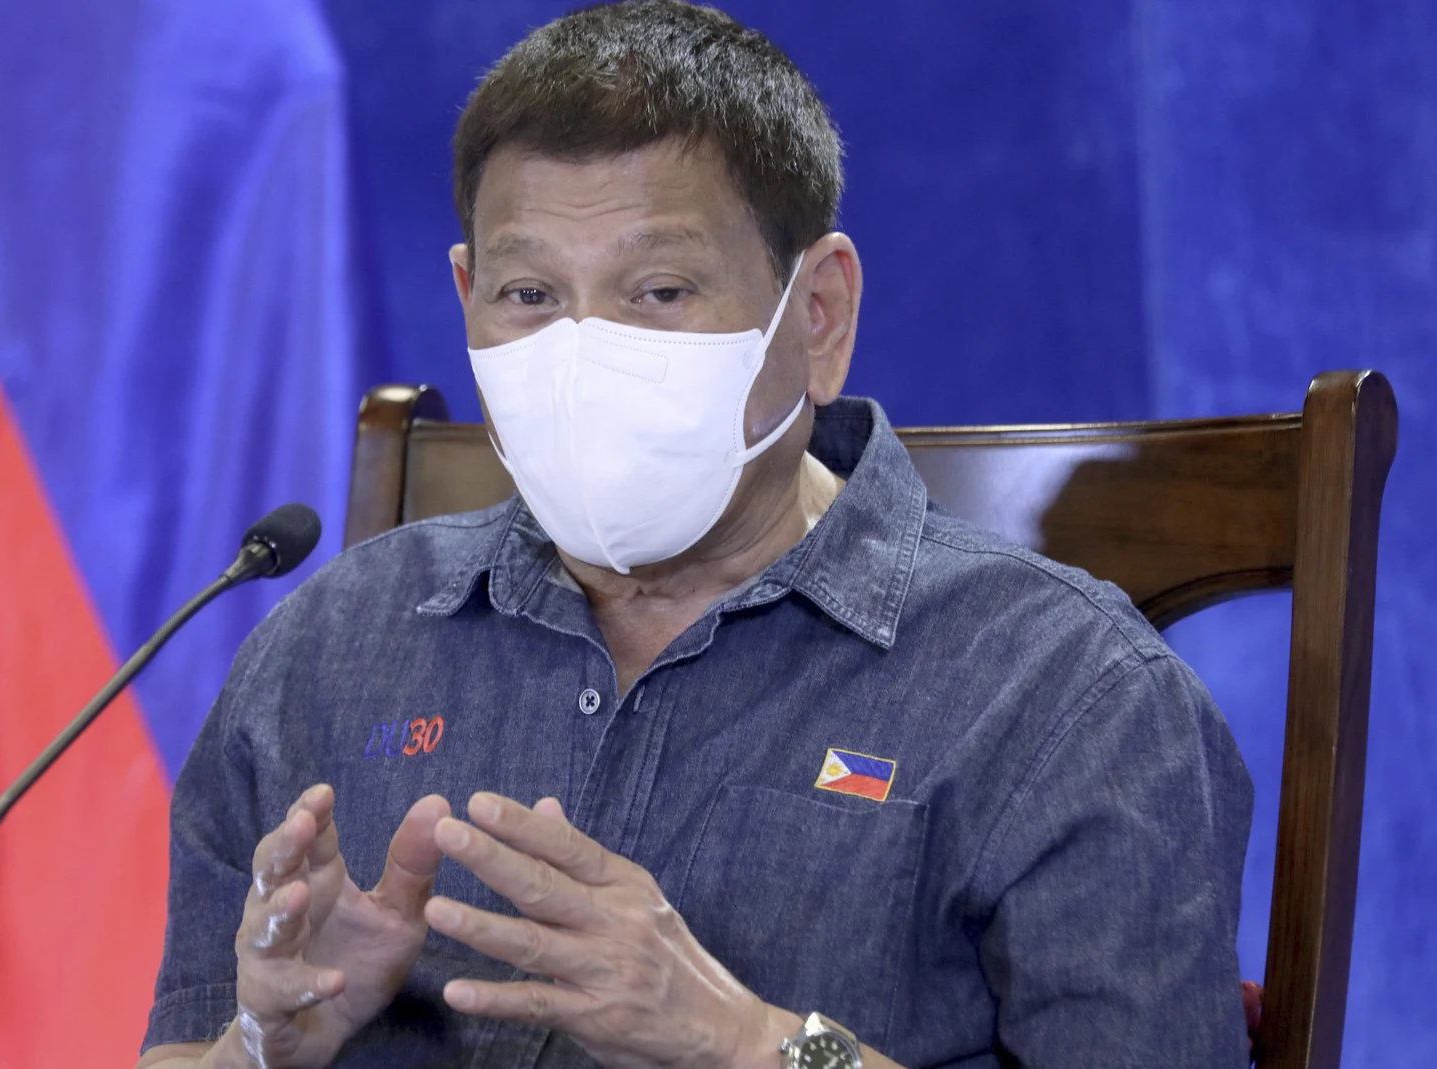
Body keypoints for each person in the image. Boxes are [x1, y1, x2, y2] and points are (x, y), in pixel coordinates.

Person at [137, 2, 1253, 1066]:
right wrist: (263, 1045)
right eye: (529, 294)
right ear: (466, 294)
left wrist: (749, 1043)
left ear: (816, 314)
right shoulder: (335, 641)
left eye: (659, 291)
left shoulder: (1065, 692)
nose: (582, 351)